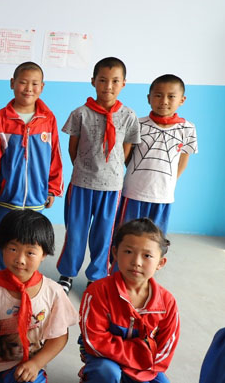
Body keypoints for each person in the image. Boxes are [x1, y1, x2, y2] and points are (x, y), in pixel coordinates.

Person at [56, 57, 141, 293]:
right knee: (75, 232)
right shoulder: (80, 113)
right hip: (81, 184)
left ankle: (97, 276)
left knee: (104, 235)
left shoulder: (128, 115)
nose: (108, 86)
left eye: (115, 81)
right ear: (93, 81)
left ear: (123, 83)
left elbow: (126, 150)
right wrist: (84, 169)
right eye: (102, 80)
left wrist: (111, 171)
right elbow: (73, 148)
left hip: (111, 188)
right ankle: (67, 273)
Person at [0, 210, 77, 383]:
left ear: (44, 254)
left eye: (30, 252)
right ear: (2, 247)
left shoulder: (53, 292)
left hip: (30, 370)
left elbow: (60, 336)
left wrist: (36, 363)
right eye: (13, 249)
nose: (20, 259)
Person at [0, 62, 63, 272]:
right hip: (7, 197)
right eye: (23, 82)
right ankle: (2, 278)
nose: (28, 88)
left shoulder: (48, 119)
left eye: (34, 83)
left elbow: (54, 155)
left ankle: (27, 279)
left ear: (42, 87)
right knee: (6, 241)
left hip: (36, 197)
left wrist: (52, 188)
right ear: (12, 83)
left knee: (32, 242)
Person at [78, 218, 179, 383]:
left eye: (147, 256)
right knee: (107, 372)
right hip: (104, 357)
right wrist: (139, 355)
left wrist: (137, 370)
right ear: (115, 253)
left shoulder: (167, 303)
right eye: (128, 252)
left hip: (144, 365)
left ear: (160, 263)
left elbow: (164, 351)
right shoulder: (97, 292)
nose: (136, 262)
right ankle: (91, 375)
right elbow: (94, 341)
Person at [118, 74, 198, 234]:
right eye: (158, 95)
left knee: (155, 236)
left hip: (163, 194)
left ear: (182, 100)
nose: (164, 101)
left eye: (171, 96)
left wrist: (170, 180)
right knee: (125, 233)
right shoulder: (138, 124)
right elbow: (127, 155)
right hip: (133, 191)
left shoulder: (188, 128)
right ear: (149, 98)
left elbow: (183, 159)